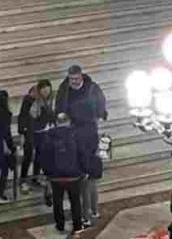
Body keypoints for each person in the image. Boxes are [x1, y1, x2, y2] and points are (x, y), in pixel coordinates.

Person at [55, 64, 107, 223]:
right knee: (86, 181)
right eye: (72, 79)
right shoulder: (64, 89)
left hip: (89, 130)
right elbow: (59, 107)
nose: (74, 82)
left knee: (88, 181)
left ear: (81, 76)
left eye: (77, 78)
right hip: (73, 130)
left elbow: (101, 103)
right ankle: (88, 212)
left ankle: (91, 212)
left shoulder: (92, 88)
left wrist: (100, 115)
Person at [39, 112, 87, 235]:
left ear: (56, 122)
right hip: (74, 175)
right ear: (69, 121)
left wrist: (47, 173)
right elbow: (82, 153)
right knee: (75, 201)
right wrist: (84, 170)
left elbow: (44, 156)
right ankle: (77, 225)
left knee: (57, 201)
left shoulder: (49, 135)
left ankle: (60, 225)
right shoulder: (76, 133)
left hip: (56, 176)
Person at [19, 79, 55, 193]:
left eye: (48, 92)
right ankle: (23, 180)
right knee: (28, 156)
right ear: (39, 90)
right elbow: (23, 116)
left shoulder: (49, 99)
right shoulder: (30, 100)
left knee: (40, 156)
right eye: (44, 92)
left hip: (43, 131)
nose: (46, 94)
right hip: (30, 131)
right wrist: (22, 132)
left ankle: (36, 177)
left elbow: (50, 114)